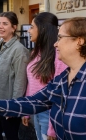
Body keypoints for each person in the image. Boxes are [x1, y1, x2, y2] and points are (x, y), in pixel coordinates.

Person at [0, 11, 30, 140]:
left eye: (4, 23)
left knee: (11, 135)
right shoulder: (0, 44)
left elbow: (20, 82)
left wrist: (14, 107)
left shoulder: (19, 50)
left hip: (7, 103)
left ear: (13, 28)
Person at [22, 12, 67, 140]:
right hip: (36, 110)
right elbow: (31, 85)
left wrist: (52, 128)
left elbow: (60, 93)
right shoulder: (35, 53)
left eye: (32, 27)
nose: (28, 31)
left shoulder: (58, 54)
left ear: (42, 29)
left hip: (50, 114)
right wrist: (27, 111)